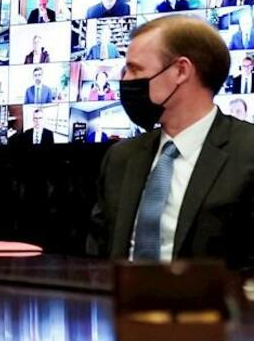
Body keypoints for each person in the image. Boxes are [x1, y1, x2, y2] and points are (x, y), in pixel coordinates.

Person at [87, 15, 254, 269]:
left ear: (180, 71)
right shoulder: (120, 157)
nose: (126, 81)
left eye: (135, 69)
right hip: (118, 304)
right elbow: (95, 258)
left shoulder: (247, 152)